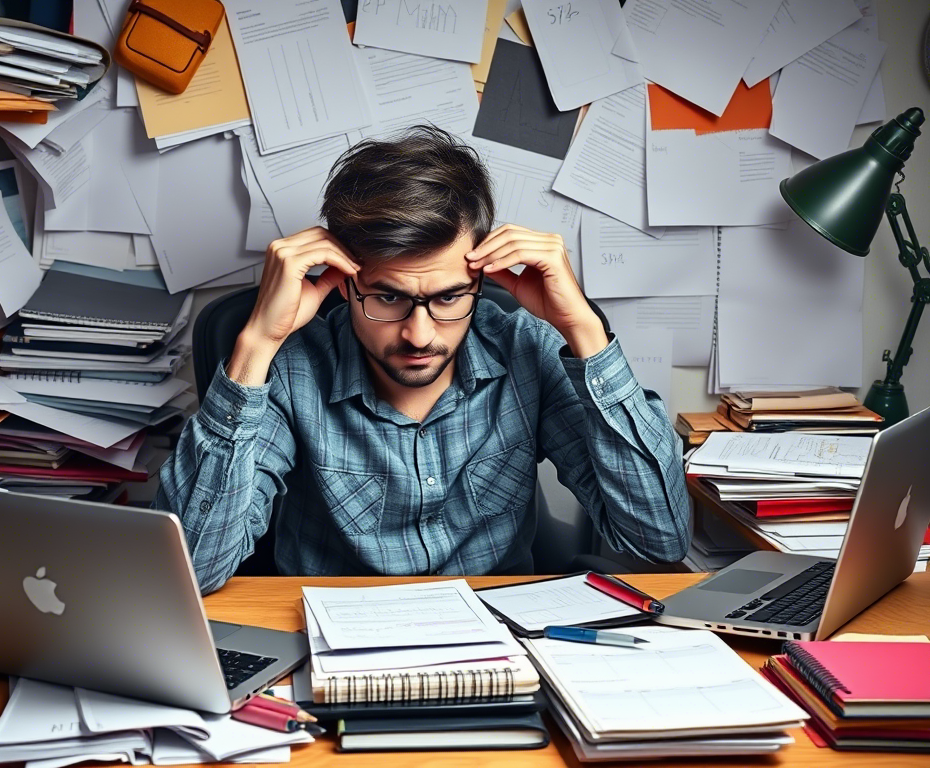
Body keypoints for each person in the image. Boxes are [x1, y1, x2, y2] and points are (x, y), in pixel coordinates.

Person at [155, 126, 689, 592]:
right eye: (388, 297)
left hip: (497, 647)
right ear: (344, 283)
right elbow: (190, 572)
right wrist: (255, 345)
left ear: (478, 279)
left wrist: (585, 332)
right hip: (332, 645)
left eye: (448, 298)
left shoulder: (527, 348)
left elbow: (658, 539)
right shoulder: (290, 370)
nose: (419, 333)